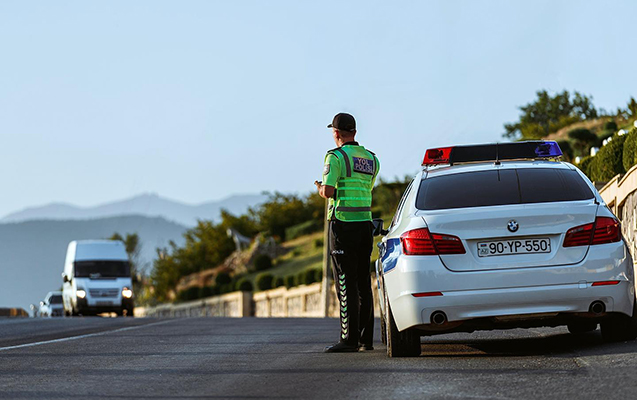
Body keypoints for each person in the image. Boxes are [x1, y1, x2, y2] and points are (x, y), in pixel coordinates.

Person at [315, 112, 380, 353]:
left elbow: (329, 191)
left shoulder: (335, 157)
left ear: (336, 133)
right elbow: (366, 188)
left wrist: (320, 188)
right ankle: (365, 339)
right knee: (363, 281)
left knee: (345, 281)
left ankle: (348, 339)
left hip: (342, 224)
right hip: (365, 224)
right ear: (354, 131)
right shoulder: (372, 159)